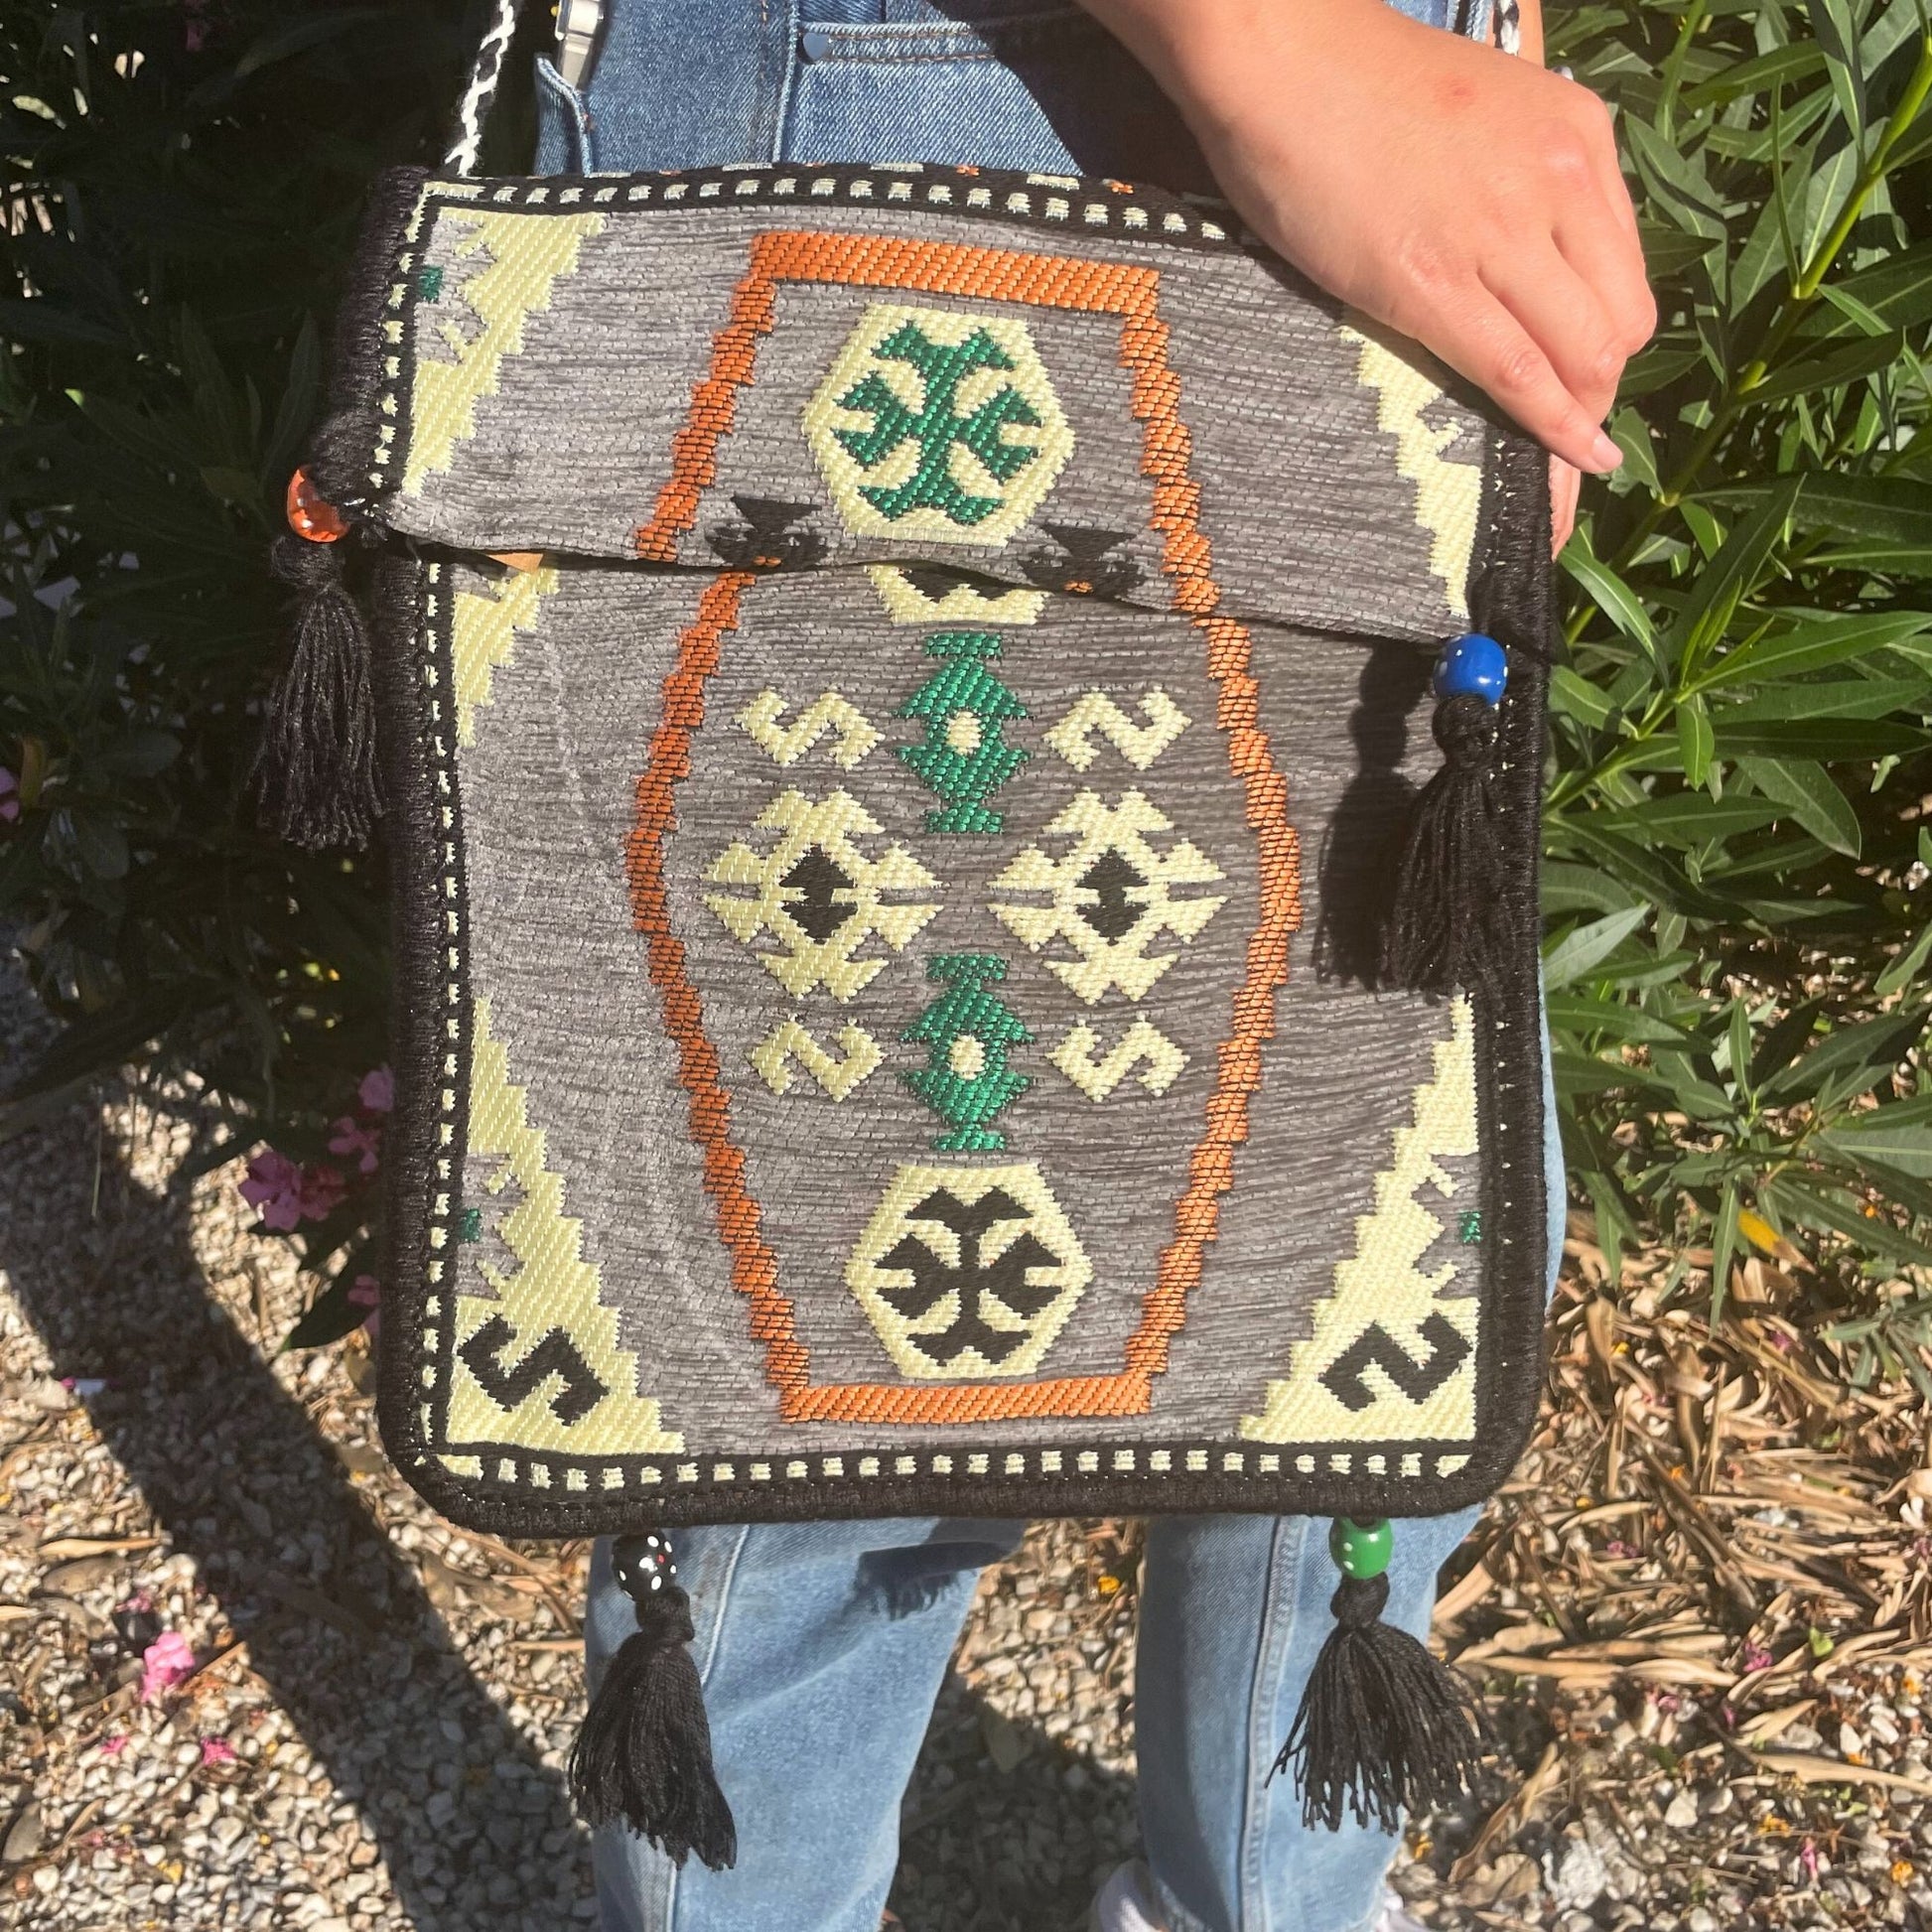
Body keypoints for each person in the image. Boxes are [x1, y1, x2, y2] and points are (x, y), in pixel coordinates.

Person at [538, 2, 1654, 1927]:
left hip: (1357, 146)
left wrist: (1484, 92)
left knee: (1351, 1280)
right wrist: (1279, 52)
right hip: (949, 84)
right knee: (834, 1389)